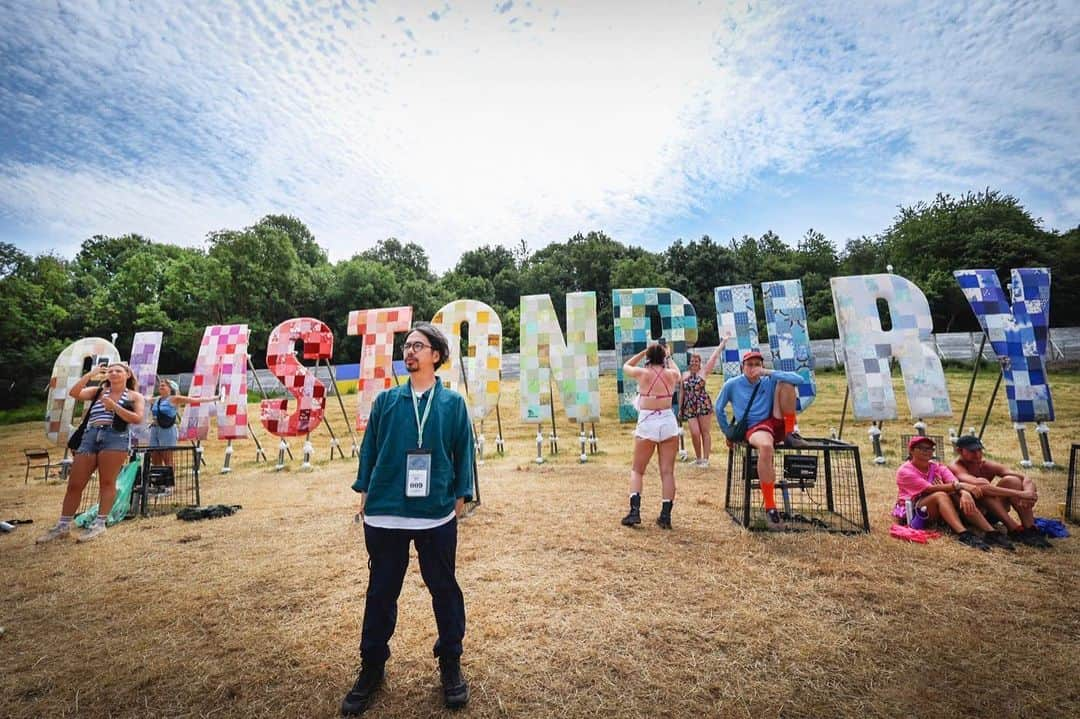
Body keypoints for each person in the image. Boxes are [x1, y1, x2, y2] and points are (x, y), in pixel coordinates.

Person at [342, 322, 475, 716]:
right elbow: (370, 448)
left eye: (417, 346)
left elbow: (462, 450)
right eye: (406, 346)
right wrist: (365, 488)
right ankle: (372, 668)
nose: (409, 351)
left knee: (444, 589)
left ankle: (450, 662)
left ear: (436, 354)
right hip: (386, 513)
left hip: (434, 513)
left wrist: (461, 494)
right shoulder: (387, 402)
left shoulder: (452, 404)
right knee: (381, 592)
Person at [37, 362, 146, 544]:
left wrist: (115, 407)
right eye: (110, 371)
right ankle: (63, 525)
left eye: (118, 371)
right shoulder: (98, 391)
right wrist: (90, 375)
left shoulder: (135, 396)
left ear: (127, 375)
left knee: (107, 482)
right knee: (75, 483)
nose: (113, 373)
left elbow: (137, 418)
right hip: (90, 435)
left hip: (115, 437)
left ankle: (100, 524)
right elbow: (74, 393)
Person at [714, 350, 807, 530]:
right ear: (743, 367)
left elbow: (799, 379)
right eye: (750, 364)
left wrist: (768, 373)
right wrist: (728, 432)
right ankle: (771, 508)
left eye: (757, 364)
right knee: (765, 447)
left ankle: (790, 433)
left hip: (775, 419)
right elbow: (718, 408)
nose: (753, 368)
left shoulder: (768, 379)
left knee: (786, 383)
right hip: (756, 427)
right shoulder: (732, 384)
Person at [893, 436, 1013, 550]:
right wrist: (960, 486)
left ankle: (991, 532)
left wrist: (964, 493)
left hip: (944, 506)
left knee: (956, 492)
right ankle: (963, 533)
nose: (927, 451)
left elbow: (953, 481)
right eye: (922, 448)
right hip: (917, 512)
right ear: (911, 451)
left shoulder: (937, 466)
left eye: (930, 448)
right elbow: (930, 489)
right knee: (942, 494)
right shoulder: (905, 471)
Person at [620, 341, 683, 529]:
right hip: (667, 420)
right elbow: (678, 374)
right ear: (663, 358)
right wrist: (669, 357)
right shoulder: (671, 375)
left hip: (648, 421)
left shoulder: (643, 373)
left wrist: (641, 353)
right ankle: (665, 515)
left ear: (648, 358)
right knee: (667, 472)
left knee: (638, 470)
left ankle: (634, 511)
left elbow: (626, 367)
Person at [948, 435, 1051, 548]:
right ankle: (1014, 528)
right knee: (982, 487)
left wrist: (1030, 494)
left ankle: (1030, 528)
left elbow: (1025, 478)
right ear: (959, 451)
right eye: (972, 451)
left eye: (979, 450)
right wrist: (1020, 494)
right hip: (971, 513)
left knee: (1012, 480)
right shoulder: (955, 467)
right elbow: (981, 486)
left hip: (993, 511)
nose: (977, 454)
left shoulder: (986, 464)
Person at [678, 333, 730, 467]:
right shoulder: (684, 375)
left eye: (696, 361)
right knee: (695, 432)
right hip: (689, 406)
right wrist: (680, 408)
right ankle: (698, 458)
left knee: (704, 432)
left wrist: (723, 342)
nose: (694, 363)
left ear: (699, 363)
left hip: (702, 404)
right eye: (692, 361)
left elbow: (714, 356)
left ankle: (705, 460)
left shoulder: (704, 372)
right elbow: (682, 391)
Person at [147, 378, 204, 468]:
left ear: (170, 388)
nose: (161, 386)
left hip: (167, 430)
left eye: (164, 385)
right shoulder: (157, 399)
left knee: (167, 457)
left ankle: (169, 480)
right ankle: (159, 479)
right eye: (160, 385)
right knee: (154, 456)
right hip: (154, 429)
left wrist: (216, 398)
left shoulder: (174, 399)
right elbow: (142, 399)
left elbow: (194, 400)